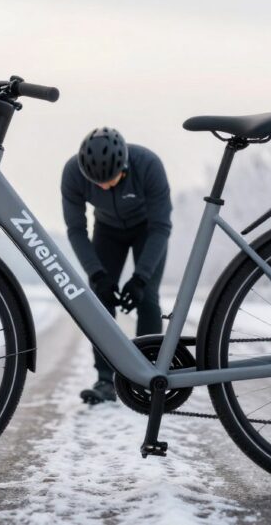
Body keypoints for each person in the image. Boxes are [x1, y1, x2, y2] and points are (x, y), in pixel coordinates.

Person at [61, 126, 172, 404]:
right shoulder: (73, 173)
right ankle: (105, 380)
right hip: (107, 230)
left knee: (148, 298)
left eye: (110, 180)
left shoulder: (148, 165)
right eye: (97, 183)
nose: (104, 187)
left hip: (147, 229)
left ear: (124, 167)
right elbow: (76, 230)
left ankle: (148, 376)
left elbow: (161, 227)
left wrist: (140, 278)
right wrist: (97, 274)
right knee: (99, 301)